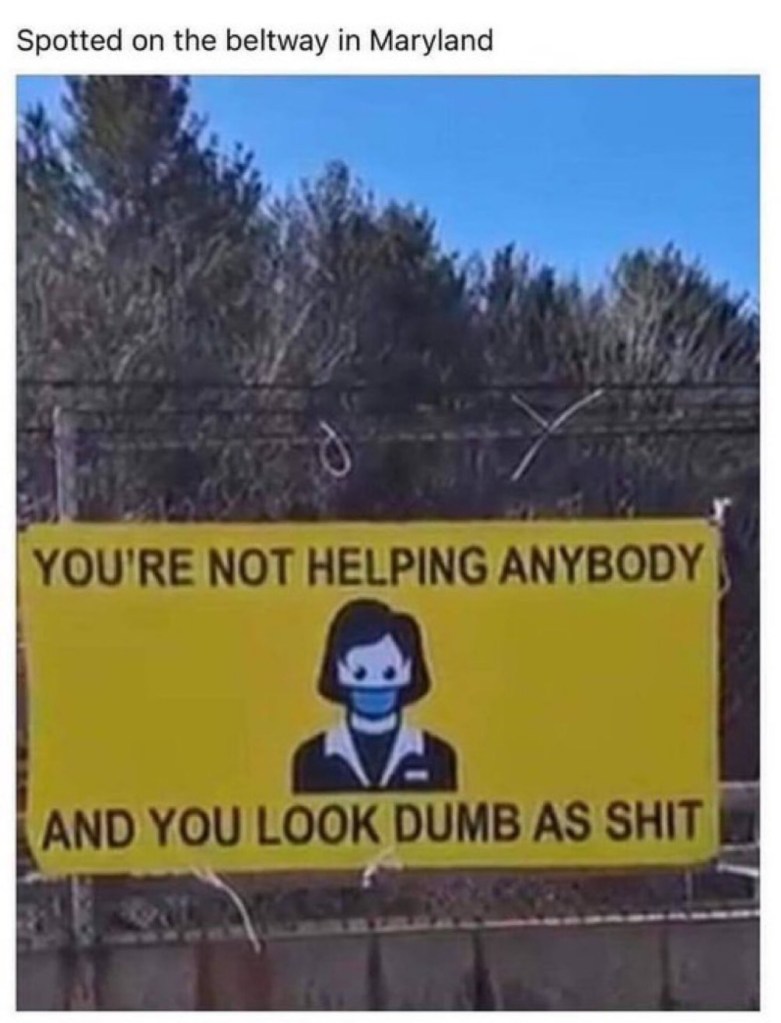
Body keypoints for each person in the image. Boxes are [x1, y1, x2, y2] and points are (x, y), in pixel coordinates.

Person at [292, 598, 457, 793]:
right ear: (336, 669)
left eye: (389, 674)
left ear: (410, 670)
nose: (375, 686)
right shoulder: (311, 757)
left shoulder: (438, 755)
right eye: (360, 673)